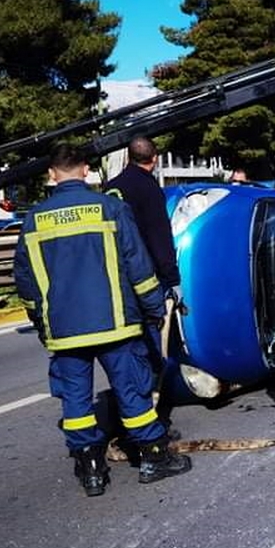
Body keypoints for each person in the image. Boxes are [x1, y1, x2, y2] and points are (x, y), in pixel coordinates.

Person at [14, 143, 191, 497]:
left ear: (51, 175)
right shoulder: (110, 208)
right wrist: (154, 307)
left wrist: (40, 322)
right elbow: (137, 264)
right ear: (86, 170)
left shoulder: (34, 219)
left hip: (65, 332)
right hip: (116, 324)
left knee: (76, 402)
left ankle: (91, 469)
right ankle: (153, 458)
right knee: (132, 392)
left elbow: (26, 281)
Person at [103, 137, 182, 428]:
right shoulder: (148, 189)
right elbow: (159, 238)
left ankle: (128, 410)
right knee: (148, 350)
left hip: (113, 282)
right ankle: (145, 420)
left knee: (125, 351)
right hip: (144, 280)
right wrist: (172, 278)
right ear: (156, 159)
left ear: (127, 157)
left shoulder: (111, 188)